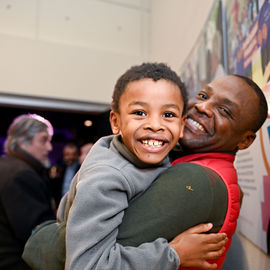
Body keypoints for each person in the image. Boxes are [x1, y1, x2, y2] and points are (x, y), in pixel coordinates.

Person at [57, 62, 227, 270]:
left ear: (182, 126)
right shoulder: (104, 180)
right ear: (115, 122)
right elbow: (86, 266)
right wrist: (174, 254)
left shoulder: (151, 153)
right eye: (139, 112)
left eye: (168, 115)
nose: (155, 125)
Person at [116, 74, 268, 269]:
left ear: (245, 141)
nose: (202, 106)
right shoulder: (184, 158)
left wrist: (172, 255)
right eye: (204, 96)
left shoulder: (194, 180)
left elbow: (89, 255)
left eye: (223, 110)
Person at [0, 114, 57, 270]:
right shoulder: (21, 175)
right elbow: (38, 237)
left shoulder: (6, 166)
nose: (49, 148)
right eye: (43, 140)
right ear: (22, 141)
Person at [50, 142, 80, 207]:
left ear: (77, 155)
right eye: (67, 154)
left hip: (75, 204)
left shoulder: (80, 169)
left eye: (73, 154)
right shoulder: (60, 168)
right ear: (64, 155)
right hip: (61, 204)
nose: (70, 157)